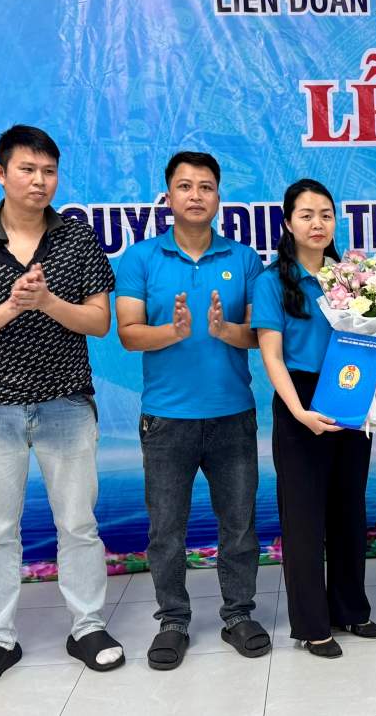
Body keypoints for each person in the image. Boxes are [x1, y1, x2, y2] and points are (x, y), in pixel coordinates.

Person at [0, 125, 124, 687]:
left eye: (48, 172)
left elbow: (98, 321)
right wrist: (13, 308)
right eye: (27, 170)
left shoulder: (76, 239)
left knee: (78, 524)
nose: (39, 181)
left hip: (66, 402)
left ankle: (87, 626)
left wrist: (47, 301)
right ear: (1, 174)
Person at [115, 151, 270, 670]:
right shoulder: (140, 259)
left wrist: (227, 331)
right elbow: (129, 333)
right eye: (185, 186)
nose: (196, 195)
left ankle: (238, 614)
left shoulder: (244, 259)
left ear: (219, 196)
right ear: (169, 196)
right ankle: (174, 621)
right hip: (165, 419)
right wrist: (174, 333)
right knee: (166, 531)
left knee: (240, 526)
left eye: (206, 186)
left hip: (233, 415)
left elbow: (259, 335)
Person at [253, 178, 376, 659]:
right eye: (306, 215)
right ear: (288, 222)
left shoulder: (353, 277)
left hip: (350, 393)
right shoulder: (272, 281)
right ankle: (312, 624)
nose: (317, 223)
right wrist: (299, 412)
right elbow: (271, 356)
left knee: (349, 508)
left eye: (326, 214)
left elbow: (375, 337)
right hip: (301, 399)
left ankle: (352, 609)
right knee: (304, 518)